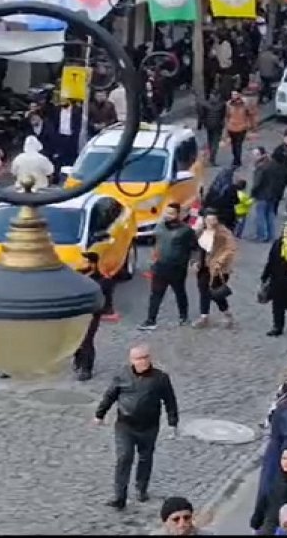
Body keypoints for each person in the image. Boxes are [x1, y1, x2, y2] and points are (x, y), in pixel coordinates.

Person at [96, 344, 179, 510]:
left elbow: (170, 401)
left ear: (150, 358)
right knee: (124, 457)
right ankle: (119, 496)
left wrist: (172, 422)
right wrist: (100, 414)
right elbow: (110, 395)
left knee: (145, 458)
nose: (142, 362)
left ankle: (141, 489)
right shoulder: (122, 375)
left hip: (149, 427)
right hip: (125, 425)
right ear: (131, 360)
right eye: (138, 359)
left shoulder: (160, 378)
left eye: (145, 357)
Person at [141, 204, 196, 331]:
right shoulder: (160, 226)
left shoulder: (185, 230)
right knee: (156, 294)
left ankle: (183, 316)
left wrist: (192, 262)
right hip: (160, 266)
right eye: (166, 212)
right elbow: (156, 242)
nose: (167, 215)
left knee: (180, 292)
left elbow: (194, 247)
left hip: (177, 268)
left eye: (171, 213)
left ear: (178, 215)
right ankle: (151, 320)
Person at [73, 252, 115, 381]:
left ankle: (87, 369)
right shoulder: (79, 275)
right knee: (76, 339)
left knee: (87, 340)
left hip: (91, 313)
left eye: (88, 262)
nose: (85, 265)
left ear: (94, 264)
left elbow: (105, 298)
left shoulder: (102, 280)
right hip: (76, 313)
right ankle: (78, 359)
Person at [193, 211, 237, 329]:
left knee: (216, 293)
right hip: (203, 266)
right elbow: (195, 248)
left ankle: (227, 314)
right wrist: (195, 261)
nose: (210, 222)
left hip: (218, 268)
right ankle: (204, 317)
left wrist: (220, 261)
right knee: (203, 291)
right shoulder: (200, 231)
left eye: (213, 219)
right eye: (208, 219)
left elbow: (230, 248)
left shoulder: (223, 233)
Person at [251, 147, 287, 243]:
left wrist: (252, 193)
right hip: (273, 194)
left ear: (261, 155)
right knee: (270, 214)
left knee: (260, 215)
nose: (253, 157)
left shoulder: (260, 167)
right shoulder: (273, 164)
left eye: (255, 155)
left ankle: (262, 235)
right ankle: (271, 235)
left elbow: (257, 182)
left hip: (262, 194)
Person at [224, 89, 254, 168]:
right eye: (232, 94)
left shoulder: (242, 104)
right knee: (235, 145)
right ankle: (236, 159)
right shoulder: (230, 104)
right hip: (234, 128)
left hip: (239, 127)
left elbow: (249, 114)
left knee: (237, 145)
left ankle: (237, 160)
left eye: (235, 94)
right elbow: (227, 115)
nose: (233, 96)